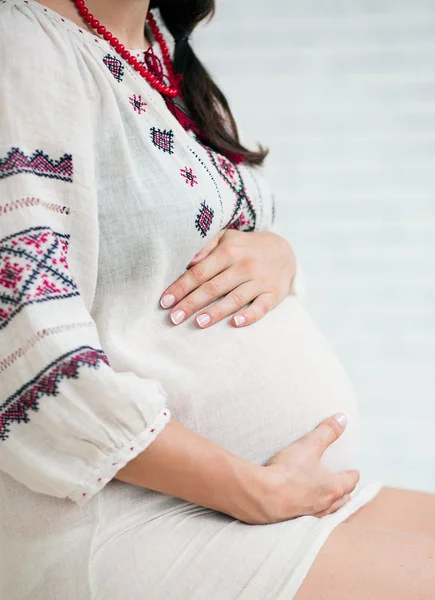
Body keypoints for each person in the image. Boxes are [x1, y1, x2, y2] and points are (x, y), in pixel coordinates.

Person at [0, 1, 434, 598]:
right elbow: (21, 342)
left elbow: (167, 255)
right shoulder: (23, 44)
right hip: (126, 519)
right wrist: (251, 490)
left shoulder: (159, 47)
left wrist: (277, 252)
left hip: (248, 505)